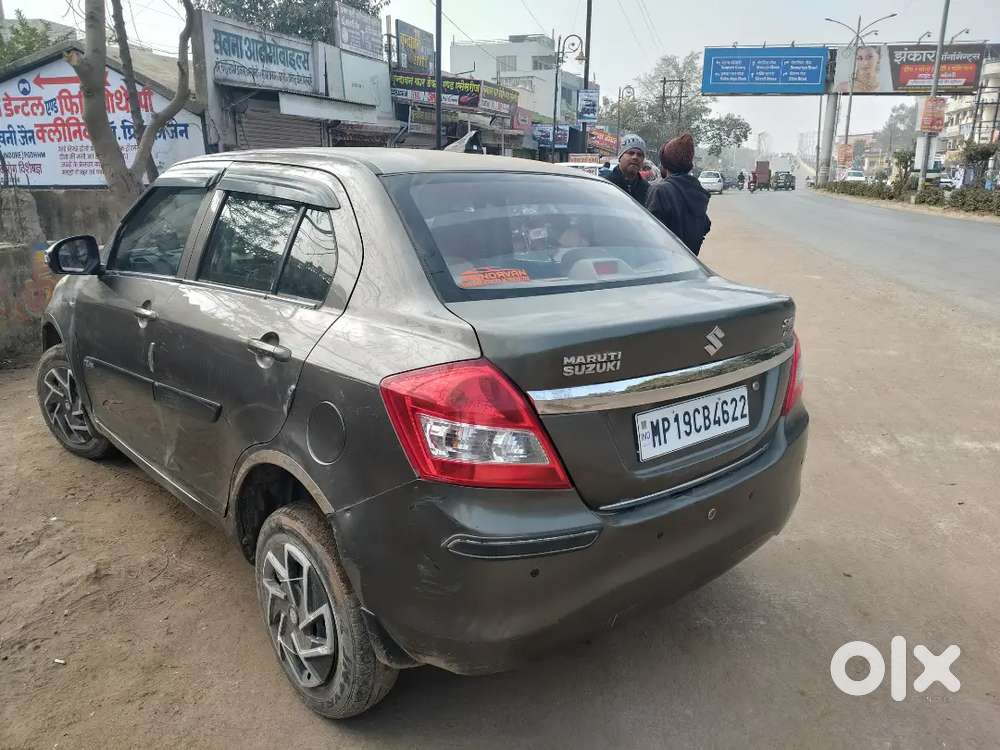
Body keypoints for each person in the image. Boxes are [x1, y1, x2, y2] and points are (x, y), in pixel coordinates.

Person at [645, 133, 712, 256]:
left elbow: (650, 235)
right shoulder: (699, 191)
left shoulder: (659, 190)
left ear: (665, 164)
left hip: (664, 263)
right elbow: (706, 225)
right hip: (690, 263)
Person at [604, 134, 649, 204]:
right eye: (631, 153)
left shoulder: (648, 190)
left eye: (639, 154)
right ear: (620, 157)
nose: (635, 157)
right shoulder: (606, 185)